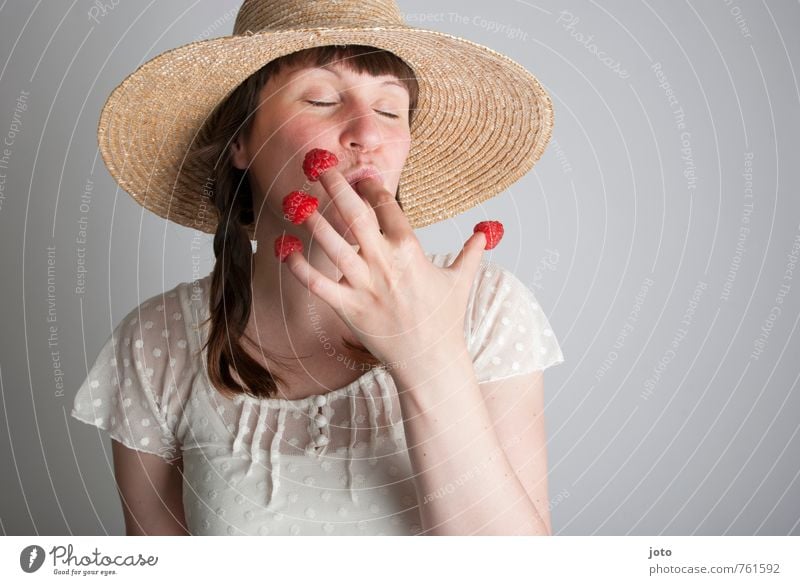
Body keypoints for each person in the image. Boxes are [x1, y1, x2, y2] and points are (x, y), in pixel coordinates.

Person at [71, 0, 565, 536]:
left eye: (390, 110)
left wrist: (427, 350)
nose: (367, 134)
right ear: (240, 140)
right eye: (323, 98)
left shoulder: (486, 308)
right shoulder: (154, 345)